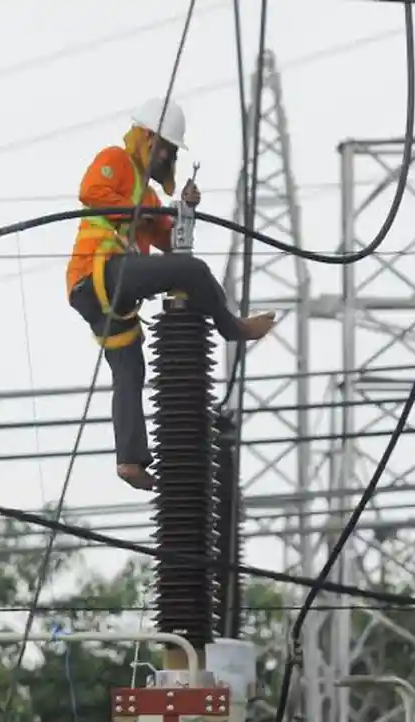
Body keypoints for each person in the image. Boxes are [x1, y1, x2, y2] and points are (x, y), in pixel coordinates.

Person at [66, 98, 277, 492]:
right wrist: (139, 212)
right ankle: (230, 326)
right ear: (148, 139)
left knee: (130, 371)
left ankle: (129, 460)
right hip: (98, 275)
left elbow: (167, 244)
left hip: (112, 296)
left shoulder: (147, 197)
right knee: (192, 272)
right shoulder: (116, 161)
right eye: (167, 148)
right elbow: (91, 191)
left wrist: (182, 211)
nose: (169, 156)